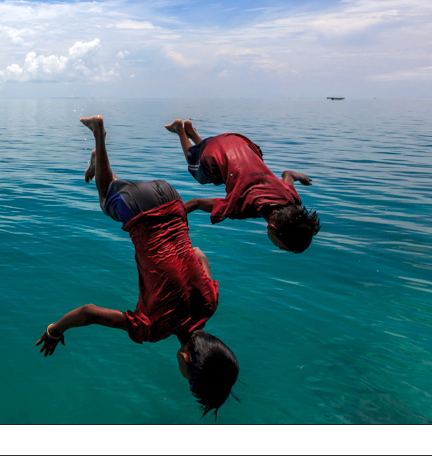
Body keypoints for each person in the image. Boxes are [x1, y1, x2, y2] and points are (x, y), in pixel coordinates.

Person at [35, 115, 239, 418]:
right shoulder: (151, 329)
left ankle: (98, 162)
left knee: (118, 199)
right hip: (140, 211)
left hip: (170, 198)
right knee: (107, 202)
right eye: (187, 377)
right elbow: (89, 312)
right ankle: (99, 133)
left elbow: (199, 254)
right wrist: (54, 330)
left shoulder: (210, 304)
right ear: (184, 359)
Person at [165, 118, 320, 253]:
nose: (278, 248)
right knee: (200, 173)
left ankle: (192, 132)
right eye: (281, 247)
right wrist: (167, 224)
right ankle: (180, 130)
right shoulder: (243, 207)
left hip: (241, 142)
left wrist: (300, 177)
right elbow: (195, 203)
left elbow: (288, 174)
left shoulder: (292, 199)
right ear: (272, 228)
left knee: (222, 171)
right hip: (215, 149)